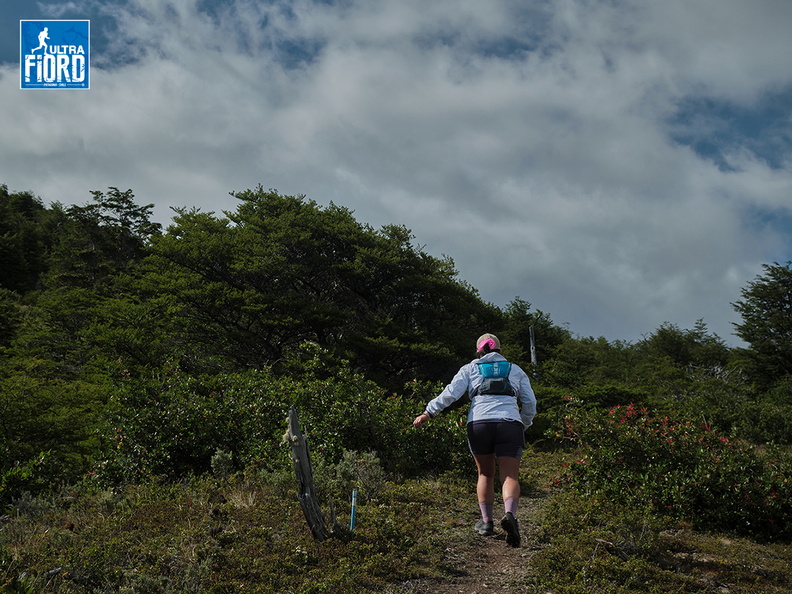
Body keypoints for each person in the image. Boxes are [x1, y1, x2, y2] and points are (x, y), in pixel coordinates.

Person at [413, 333, 536, 547]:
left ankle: (487, 522)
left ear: (479, 351)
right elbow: (529, 402)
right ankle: (509, 515)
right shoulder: (515, 370)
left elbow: (450, 393)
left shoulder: (470, 368)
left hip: (479, 423)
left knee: (485, 473)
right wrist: (523, 423)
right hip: (510, 423)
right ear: (500, 351)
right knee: (509, 476)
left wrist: (428, 413)